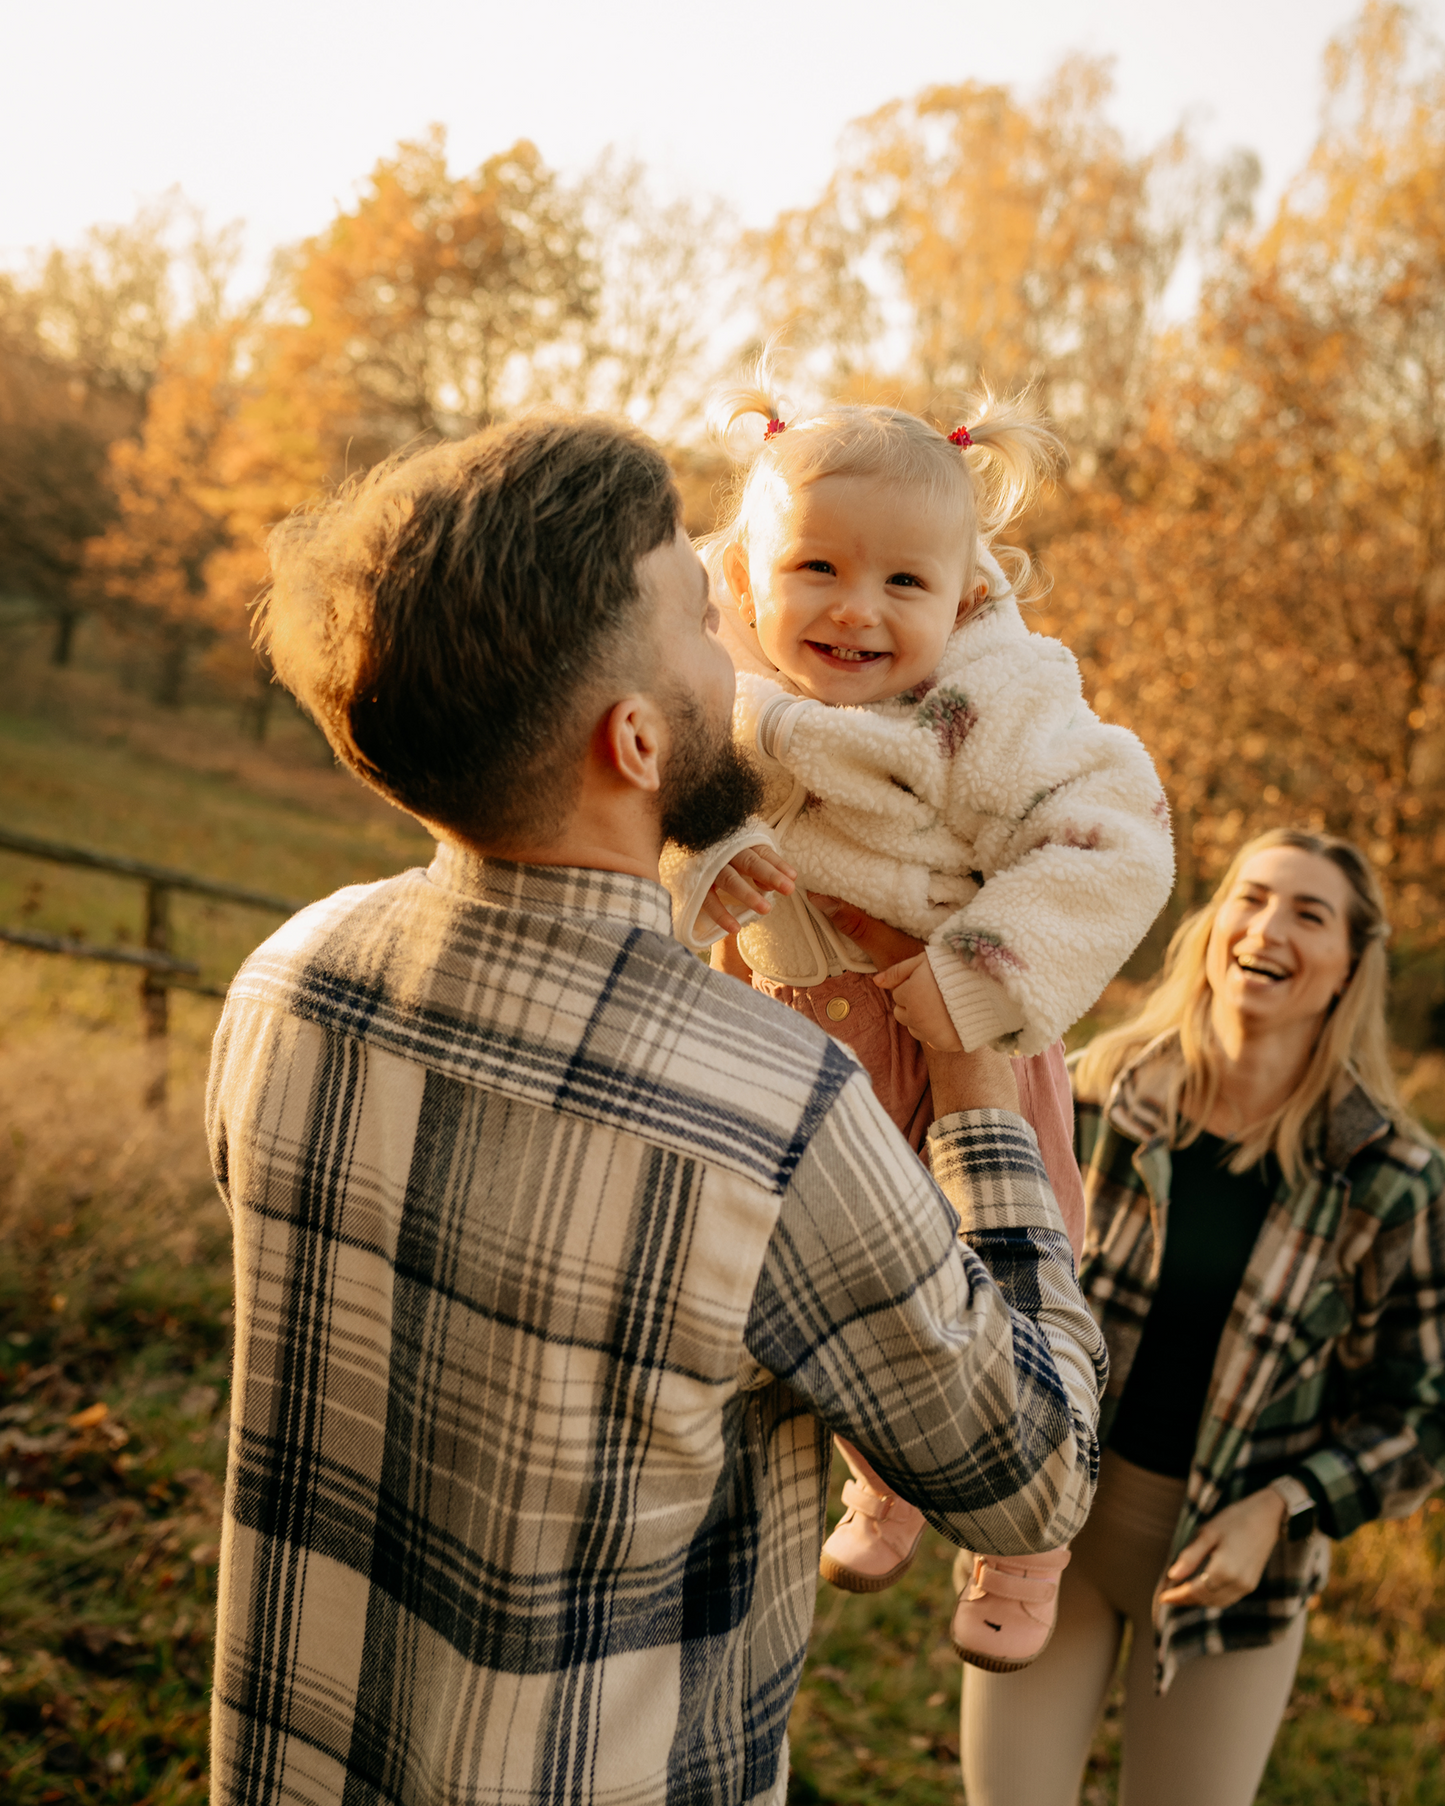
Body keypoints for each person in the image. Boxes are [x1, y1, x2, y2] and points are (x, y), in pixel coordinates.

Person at [205, 415, 1107, 1806]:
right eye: (701, 617)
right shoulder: (767, 1109)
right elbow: (1031, 1476)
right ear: (634, 739)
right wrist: (985, 1107)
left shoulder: (288, 978)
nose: (738, 642)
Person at [659, 371, 1173, 1652]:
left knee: (999, 1269)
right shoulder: (710, 690)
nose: (855, 609)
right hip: (782, 1019)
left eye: (903, 584)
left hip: (942, 1022)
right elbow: (649, 813)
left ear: (966, 594)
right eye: (817, 568)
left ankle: (1027, 1552)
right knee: (836, 1276)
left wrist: (982, 975)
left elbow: (1120, 844)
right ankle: (880, 1483)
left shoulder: (999, 705)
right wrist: (709, 852)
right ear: (749, 574)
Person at [959, 828, 1445, 1806]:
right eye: (1249, 897)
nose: (1266, 926)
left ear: (1350, 964)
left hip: (1233, 1584)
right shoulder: (1094, 1094)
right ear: (1212, 924)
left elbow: (1420, 1416)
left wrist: (1280, 1510)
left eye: (1308, 914)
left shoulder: (1391, 1180)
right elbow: (983, 1282)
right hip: (1045, 1541)